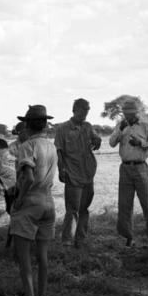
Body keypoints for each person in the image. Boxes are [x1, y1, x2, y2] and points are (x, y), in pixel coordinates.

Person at [9, 105, 57, 296]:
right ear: (45, 125)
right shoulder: (51, 146)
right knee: (43, 256)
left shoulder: (27, 147)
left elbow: (27, 178)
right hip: (48, 202)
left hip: (30, 202)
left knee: (24, 257)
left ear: (27, 125)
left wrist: (18, 201)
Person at [108, 99, 148, 250]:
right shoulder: (121, 125)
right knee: (125, 205)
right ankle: (129, 238)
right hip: (125, 169)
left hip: (141, 168)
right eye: (125, 113)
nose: (128, 116)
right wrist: (120, 130)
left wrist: (142, 144)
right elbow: (111, 143)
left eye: (131, 113)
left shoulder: (145, 126)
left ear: (137, 112)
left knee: (147, 204)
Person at [55, 99, 101, 248]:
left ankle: (80, 239)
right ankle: (67, 242)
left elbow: (96, 139)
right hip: (73, 174)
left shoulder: (88, 126)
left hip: (88, 173)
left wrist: (98, 139)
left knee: (84, 209)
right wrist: (61, 169)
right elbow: (59, 151)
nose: (85, 114)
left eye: (87, 111)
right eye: (83, 111)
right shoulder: (62, 128)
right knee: (72, 210)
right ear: (74, 109)